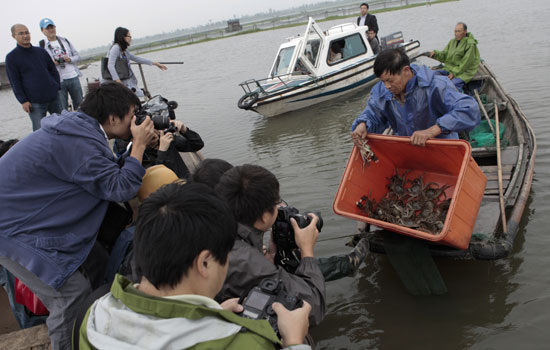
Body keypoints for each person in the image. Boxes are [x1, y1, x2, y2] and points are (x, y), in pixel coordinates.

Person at [0, 82, 157, 350]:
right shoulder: (77, 141)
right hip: (15, 232)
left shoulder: (77, 128)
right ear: (112, 118)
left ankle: (95, 333)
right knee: (70, 297)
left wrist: (135, 148)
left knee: (95, 265)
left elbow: (102, 174)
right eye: (133, 116)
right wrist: (138, 147)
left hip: (23, 220)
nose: (136, 122)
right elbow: (119, 188)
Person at [79, 182, 313, 350]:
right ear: (204, 262)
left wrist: (210, 316)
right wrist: (294, 341)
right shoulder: (245, 344)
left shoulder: (95, 313)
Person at [214, 164, 325, 326]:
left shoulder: (212, 229)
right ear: (265, 217)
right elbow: (313, 306)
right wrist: (307, 251)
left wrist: (264, 258)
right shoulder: (246, 262)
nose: (280, 208)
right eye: (276, 203)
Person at [351, 48, 480, 147]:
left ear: (406, 71)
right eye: (383, 81)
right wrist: (363, 124)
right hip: (409, 149)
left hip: (442, 148)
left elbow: (469, 109)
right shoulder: (382, 90)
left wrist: (432, 131)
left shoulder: (435, 85)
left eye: (390, 80)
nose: (387, 86)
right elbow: (373, 113)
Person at [5, 23, 61, 131]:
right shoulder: (11, 57)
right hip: (34, 102)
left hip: (53, 96)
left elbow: (53, 70)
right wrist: (23, 101)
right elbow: (15, 81)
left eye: (27, 32)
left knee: (61, 125)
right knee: (39, 131)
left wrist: (57, 86)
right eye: (21, 33)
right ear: (14, 36)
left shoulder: (41, 51)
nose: (25, 36)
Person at [105, 27, 167, 96]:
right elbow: (110, 65)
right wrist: (118, 81)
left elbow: (136, 58)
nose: (130, 38)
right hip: (113, 80)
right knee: (133, 92)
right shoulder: (115, 48)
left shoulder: (124, 50)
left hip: (122, 78)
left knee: (137, 92)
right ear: (123, 37)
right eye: (129, 36)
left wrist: (155, 63)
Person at [39, 18, 84, 111]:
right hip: (57, 81)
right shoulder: (42, 45)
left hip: (73, 76)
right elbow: (41, 65)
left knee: (80, 105)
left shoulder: (65, 41)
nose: (51, 30)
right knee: (62, 109)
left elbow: (78, 56)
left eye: (52, 27)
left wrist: (69, 59)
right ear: (42, 30)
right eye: (48, 28)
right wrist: (51, 63)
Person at [429, 22, 480, 91]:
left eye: (459, 31)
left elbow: (465, 64)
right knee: (431, 75)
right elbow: (444, 55)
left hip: (464, 72)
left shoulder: (470, 44)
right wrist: (435, 54)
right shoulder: (452, 41)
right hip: (450, 69)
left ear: (465, 32)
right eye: (455, 31)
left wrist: (454, 74)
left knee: (451, 85)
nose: (456, 33)